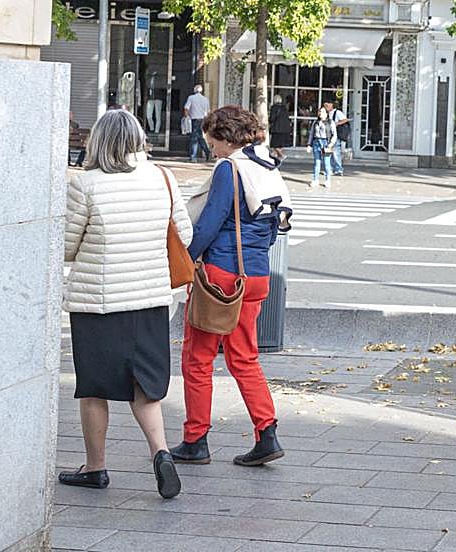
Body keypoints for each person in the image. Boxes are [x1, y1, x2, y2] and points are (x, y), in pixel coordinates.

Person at [60, 109, 191, 499]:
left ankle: (96, 467)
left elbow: (66, 247)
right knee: (144, 387)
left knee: (94, 388)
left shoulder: (86, 185)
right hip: (150, 301)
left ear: (97, 141)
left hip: (98, 305)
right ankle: (161, 453)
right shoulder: (163, 178)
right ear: (137, 139)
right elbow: (184, 232)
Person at [171, 105, 292, 467]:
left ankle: (195, 439)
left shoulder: (230, 168)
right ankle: (266, 432)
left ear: (225, 138)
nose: (210, 148)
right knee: (244, 357)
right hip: (255, 275)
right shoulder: (266, 167)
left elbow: (210, 223)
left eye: (212, 140)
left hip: (221, 277)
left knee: (197, 358)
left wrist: (186, 259)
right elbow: (274, 226)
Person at [308, 106, 337, 188]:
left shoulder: (330, 122)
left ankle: (328, 180)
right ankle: (315, 180)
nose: (321, 113)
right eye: (320, 112)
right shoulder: (316, 122)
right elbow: (311, 134)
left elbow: (334, 134)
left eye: (323, 112)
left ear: (326, 113)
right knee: (317, 162)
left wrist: (331, 143)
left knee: (327, 163)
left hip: (326, 143)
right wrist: (309, 144)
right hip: (316, 142)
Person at [183, 84, 212, 162]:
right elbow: (208, 111)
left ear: (194, 90)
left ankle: (193, 157)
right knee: (199, 137)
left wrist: (186, 118)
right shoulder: (205, 99)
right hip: (203, 119)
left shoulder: (191, 98)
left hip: (194, 119)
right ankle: (207, 152)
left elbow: (186, 108)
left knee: (194, 138)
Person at [323, 99, 351, 176]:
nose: (326, 107)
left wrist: (336, 123)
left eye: (327, 105)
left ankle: (339, 169)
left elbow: (345, 120)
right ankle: (330, 169)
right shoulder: (327, 113)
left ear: (332, 104)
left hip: (335, 136)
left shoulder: (337, 112)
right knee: (329, 153)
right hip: (328, 136)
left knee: (335, 153)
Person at [268, 94, 291, 161]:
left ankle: (281, 155)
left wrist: (269, 121)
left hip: (276, 129)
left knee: (274, 144)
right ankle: (275, 154)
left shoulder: (274, 107)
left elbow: (272, 118)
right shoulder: (284, 108)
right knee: (281, 144)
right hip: (285, 129)